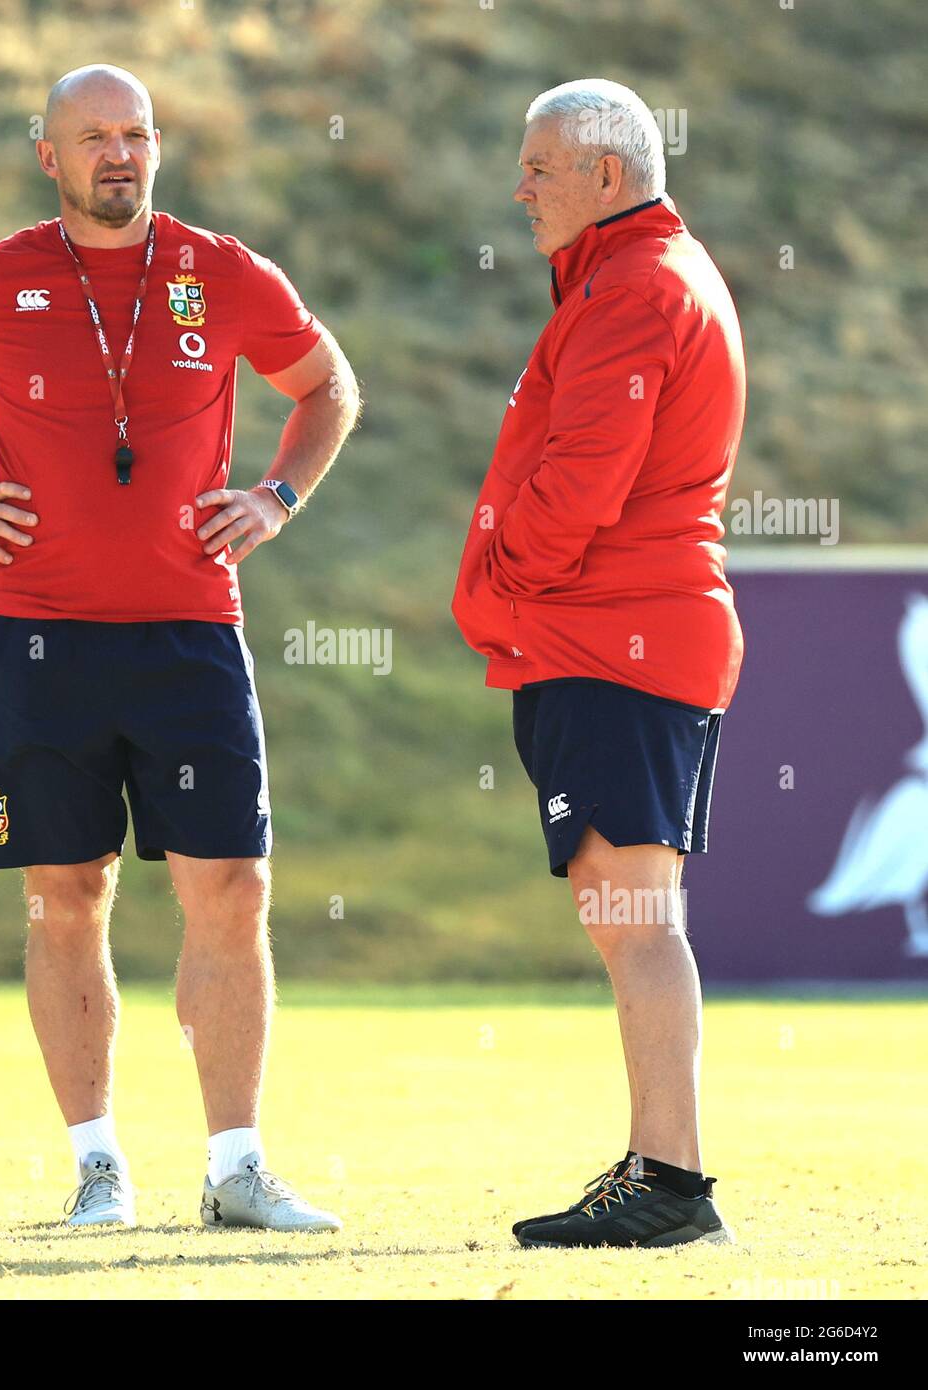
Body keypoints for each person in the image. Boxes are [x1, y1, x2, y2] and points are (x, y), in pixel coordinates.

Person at [0, 64, 359, 1233]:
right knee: (64, 894)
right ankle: (98, 1169)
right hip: (38, 643)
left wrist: (275, 496)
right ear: (49, 156)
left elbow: (326, 384)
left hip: (191, 635)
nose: (117, 154)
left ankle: (236, 1166)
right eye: (92, 138)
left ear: (157, 146)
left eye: (134, 134)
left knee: (231, 887)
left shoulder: (220, 273)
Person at [452, 78, 746, 1248]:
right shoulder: (632, 276)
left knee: (632, 913)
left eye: (538, 166)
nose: (518, 187)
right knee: (627, 910)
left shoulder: (633, 290)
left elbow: (581, 485)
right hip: (609, 639)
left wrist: (504, 577)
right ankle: (657, 1169)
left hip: (612, 641)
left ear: (606, 177)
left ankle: (670, 1183)